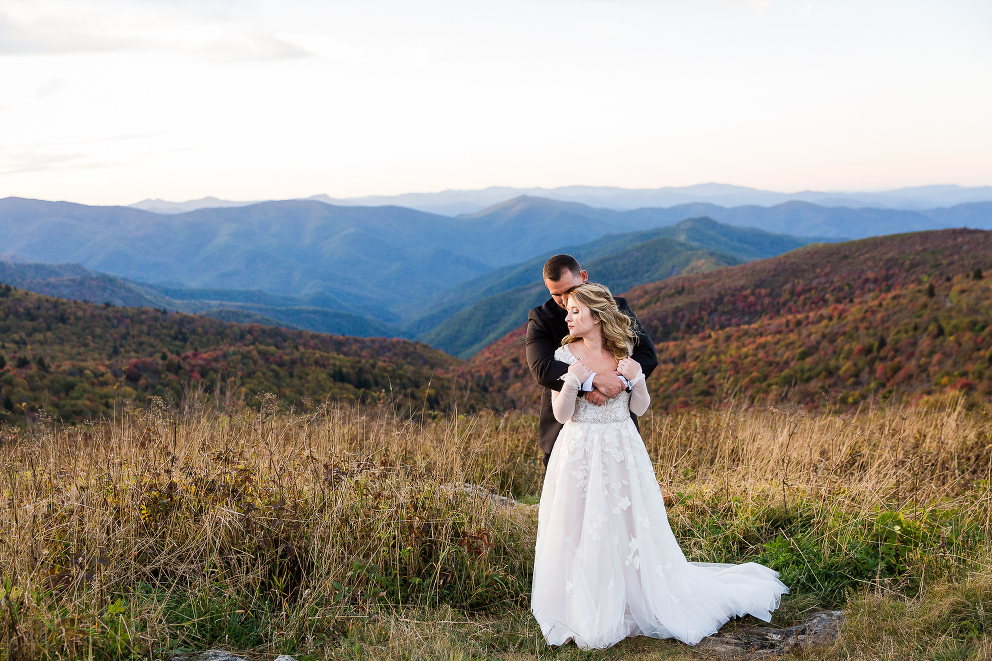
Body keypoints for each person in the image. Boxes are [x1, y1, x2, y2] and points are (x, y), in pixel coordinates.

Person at [530, 283, 788, 649]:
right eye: (567, 310)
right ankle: (585, 605)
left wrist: (635, 380)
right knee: (580, 524)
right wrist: (574, 380)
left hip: (621, 448)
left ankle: (633, 597)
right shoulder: (564, 356)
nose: (567, 316)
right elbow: (562, 413)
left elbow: (639, 408)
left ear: (597, 315)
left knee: (627, 523)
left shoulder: (625, 353)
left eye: (574, 310)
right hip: (579, 450)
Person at [526, 255, 658, 466]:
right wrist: (594, 381)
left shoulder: (614, 307)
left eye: (569, 291)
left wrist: (618, 383)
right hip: (565, 428)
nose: (563, 300)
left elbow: (647, 354)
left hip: (617, 428)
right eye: (556, 294)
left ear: (584, 277)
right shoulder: (541, 318)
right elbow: (542, 368)